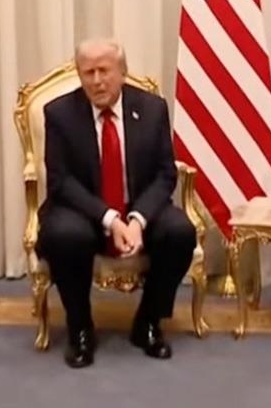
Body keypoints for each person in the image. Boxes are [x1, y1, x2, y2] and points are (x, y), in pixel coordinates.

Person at [37, 38, 196, 368]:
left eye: (104, 71)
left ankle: (148, 321)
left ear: (122, 72)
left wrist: (137, 219)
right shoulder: (60, 113)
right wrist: (110, 219)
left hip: (137, 208)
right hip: (84, 212)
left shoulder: (152, 108)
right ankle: (80, 328)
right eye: (88, 73)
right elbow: (61, 182)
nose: (97, 81)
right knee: (64, 235)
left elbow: (165, 174)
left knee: (179, 231)